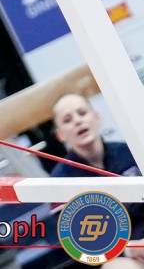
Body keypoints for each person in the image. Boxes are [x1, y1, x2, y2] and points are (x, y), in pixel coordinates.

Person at [48, 93, 144, 266]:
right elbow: (81, 244)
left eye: (82, 113)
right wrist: (131, 249)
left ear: (97, 117)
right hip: (125, 257)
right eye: (67, 120)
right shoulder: (60, 181)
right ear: (60, 135)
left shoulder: (130, 151)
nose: (78, 121)